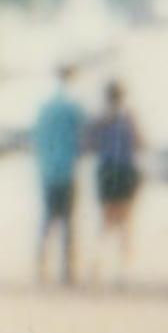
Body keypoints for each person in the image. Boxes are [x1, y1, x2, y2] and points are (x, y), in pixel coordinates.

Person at [33, 65, 87, 287]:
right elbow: (84, 135)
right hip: (67, 170)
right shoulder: (73, 107)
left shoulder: (45, 107)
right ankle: (67, 270)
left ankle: (41, 264)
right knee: (68, 222)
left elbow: (37, 137)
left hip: (48, 170)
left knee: (48, 219)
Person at [92, 78, 144, 286]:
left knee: (105, 222)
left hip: (106, 172)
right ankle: (121, 272)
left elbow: (90, 143)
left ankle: (98, 265)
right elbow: (140, 142)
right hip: (124, 172)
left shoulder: (101, 119)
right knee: (125, 223)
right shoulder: (129, 118)